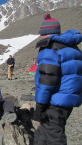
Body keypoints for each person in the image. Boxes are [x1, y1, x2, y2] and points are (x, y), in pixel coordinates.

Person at [33, 14, 82, 145]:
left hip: (55, 100)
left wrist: (40, 105)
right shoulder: (71, 47)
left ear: (46, 32)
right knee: (42, 133)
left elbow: (47, 78)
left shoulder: (50, 48)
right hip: (68, 99)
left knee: (54, 135)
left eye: (41, 33)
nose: (40, 36)